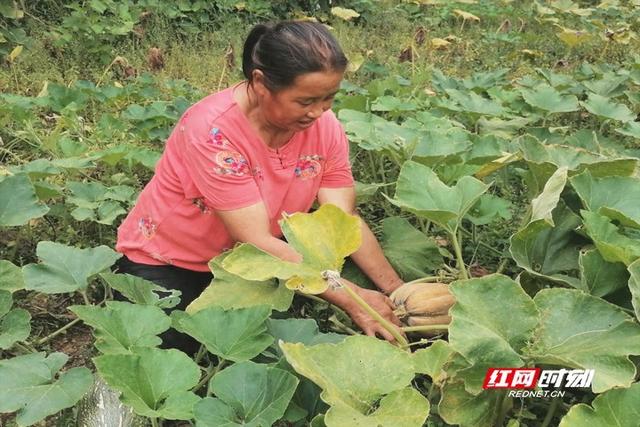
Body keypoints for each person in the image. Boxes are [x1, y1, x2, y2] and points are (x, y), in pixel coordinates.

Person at [115, 21, 405, 354]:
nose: (318, 111)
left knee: (259, 352)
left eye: (329, 98)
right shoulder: (212, 131)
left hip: (252, 265)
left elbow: (344, 219)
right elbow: (255, 240)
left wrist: (397, 292)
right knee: (169, 351)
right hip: (171, 261)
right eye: (305, 100)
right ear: (260, 82)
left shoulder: (324, 126)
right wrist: (352, 298)